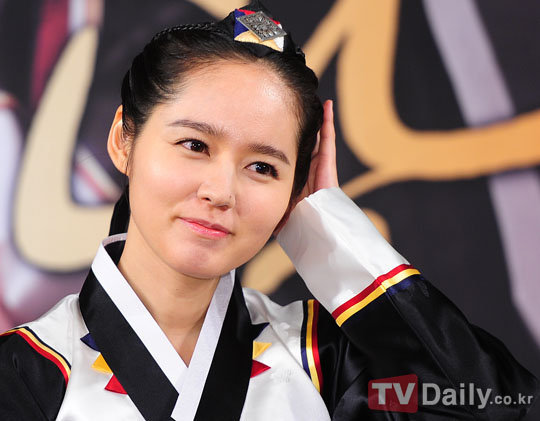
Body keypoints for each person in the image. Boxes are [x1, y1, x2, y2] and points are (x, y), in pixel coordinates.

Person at [0, 1, 538, 420]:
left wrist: (327, 229)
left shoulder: (327, 364)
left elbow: (495, 403)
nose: (221, 191)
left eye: (263, 167)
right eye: (194, 145)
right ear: (124, 139)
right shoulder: (25, 372)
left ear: (295, 189)